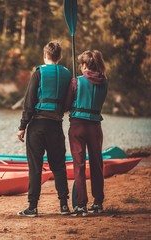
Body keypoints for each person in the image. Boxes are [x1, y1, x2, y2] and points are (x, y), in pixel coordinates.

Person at [17, 40, 72, 217]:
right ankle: (64, 205)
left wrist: (22, 126)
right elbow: (69, 100)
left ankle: (32, 208)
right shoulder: (67, 74)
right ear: (60, 56)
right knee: (58, 166)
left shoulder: (39, 72)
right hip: (56, 125)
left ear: (45, 55)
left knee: (35, 167)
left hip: (37, 125)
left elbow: (29, 101)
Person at [64, 50, 108, 217]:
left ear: (84, 65)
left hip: (77, 127)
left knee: (79, 165)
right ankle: (98, 202)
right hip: (95, 127)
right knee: (97, 164)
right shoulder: (105, 82)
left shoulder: (77, 81)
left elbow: (67, 105)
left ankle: (81, 205)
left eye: (82, 65)